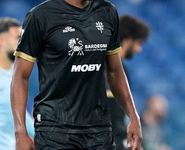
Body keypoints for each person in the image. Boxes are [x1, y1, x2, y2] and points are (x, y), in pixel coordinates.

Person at [11, 0, 142, 150]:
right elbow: (20, 76)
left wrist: (133, 117)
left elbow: (115, 71)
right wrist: (20, 132)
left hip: (99, 131)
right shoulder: (40, 16)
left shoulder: (107, 11)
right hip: (55, 131)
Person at [0, 17, 34, 150]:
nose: (21, 43)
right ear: (1, 41)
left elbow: (20, 115)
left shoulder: (19, 75)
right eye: (17, 38)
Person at [106, 14, 150, 150]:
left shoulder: (118, 67)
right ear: (128, 41)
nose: (139, 49)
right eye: (138, 43)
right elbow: (111, 113)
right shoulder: (113, 69)